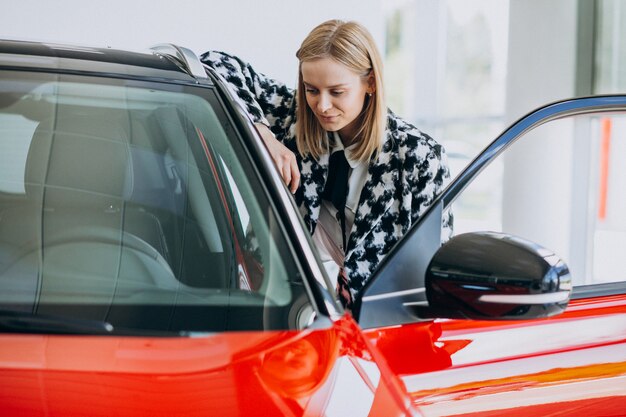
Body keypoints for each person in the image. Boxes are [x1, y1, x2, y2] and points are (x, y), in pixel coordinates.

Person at [201, 19, 452, 310]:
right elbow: (213, 63)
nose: (321, 105)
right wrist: (264, 135)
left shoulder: (419, 158)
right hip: (283, 309)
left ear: (370, 82)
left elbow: (434, 270)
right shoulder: (289, 118)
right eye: (311, 90)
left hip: (380, 326)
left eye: (336, 92)